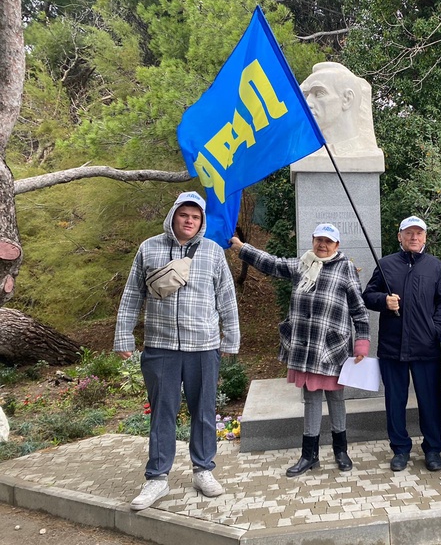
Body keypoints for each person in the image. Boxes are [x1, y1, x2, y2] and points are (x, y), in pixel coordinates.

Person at [114, 191, 240, 511]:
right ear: (173, 216)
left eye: (196, 217)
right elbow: (132, 294)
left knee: (203, 412)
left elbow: (226, 298)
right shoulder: (149, 248)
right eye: (184, 215)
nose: (189, 221)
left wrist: (231, 340)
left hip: (204, 347)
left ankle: (203, 470)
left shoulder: (212, 252)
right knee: (163, 414)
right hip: (160, 347)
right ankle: (157, 477)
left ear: (202, 222)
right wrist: (123, 337)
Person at [229, 223, 370, 476]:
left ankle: (341, 451)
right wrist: (243, 248)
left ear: (337, 245)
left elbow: (359, 310)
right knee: (312, 399)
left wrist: (362, 342)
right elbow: (271, 263)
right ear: (313, 240)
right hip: (306, 348)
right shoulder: (303, 264)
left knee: (336, 399)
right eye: (318, 240)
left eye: (328, 241)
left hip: (332, 347)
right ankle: (309, 455)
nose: (322, 245)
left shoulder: (345, 267)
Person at [362, 216, 441, 472]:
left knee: (430, 402)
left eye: (418, 233)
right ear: (399, 236)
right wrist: (383, 301)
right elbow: (368, 295)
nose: (414, 237)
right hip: (392, 347)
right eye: (408, 233)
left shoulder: (436, 267)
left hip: (426, 347)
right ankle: (400, 449)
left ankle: (433, 449)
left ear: (425, 237)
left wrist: (436, 329)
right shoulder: (386, 264)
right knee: (395, 401)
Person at [300, 61, 378, 156]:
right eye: (306, 95)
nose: (308, 103)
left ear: (347, 99)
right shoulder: (305, 154)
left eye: (319, 93)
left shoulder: (368, 155)